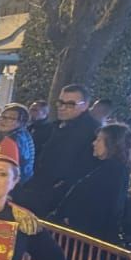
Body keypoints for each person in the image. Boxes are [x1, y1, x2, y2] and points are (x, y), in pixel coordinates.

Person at [20, 83, 101, 215]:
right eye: (60, 103)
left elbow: (85, 168)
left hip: (58, 199)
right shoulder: (55, 126)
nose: (63, 108)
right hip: (39, 190)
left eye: (70, 104)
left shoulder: (92, 131)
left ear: (85, 105)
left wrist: (60, 187)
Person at [53, 122, 131, 244]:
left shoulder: (115, 171)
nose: (94, 143)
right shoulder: (103, 167)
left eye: (99, 140)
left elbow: (105, 206)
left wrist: (75, 221)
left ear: (112, 144)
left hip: (86, 239)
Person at [0, 103, 36, 181]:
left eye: (11, 118)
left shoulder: (13, 139)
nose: (3, 121)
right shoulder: (24, 134)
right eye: (2, 116)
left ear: (22, 122)